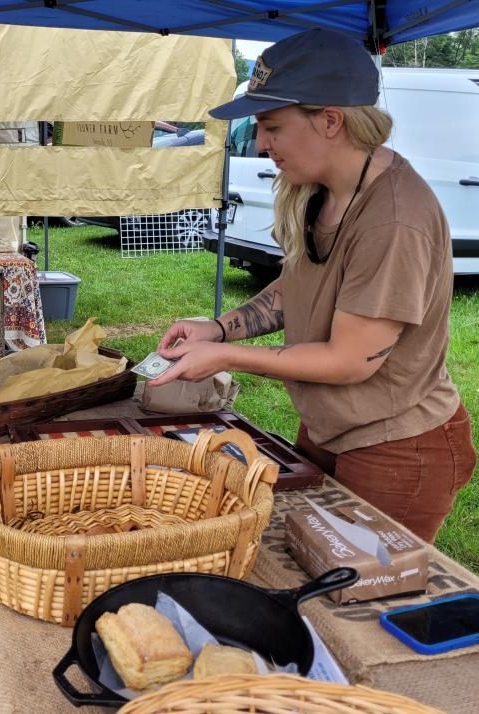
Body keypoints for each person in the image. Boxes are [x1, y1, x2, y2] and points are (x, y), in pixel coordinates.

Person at [151, 28, 475, 544]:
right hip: (330, 428)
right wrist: (218, 328)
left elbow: (349, 361)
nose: (260, 144)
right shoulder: (319, 192)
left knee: (358, 601)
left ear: (330, 121)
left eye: (272, 126)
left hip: (398, 445)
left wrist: (228, 359)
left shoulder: (394, 218)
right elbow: (294, 287)